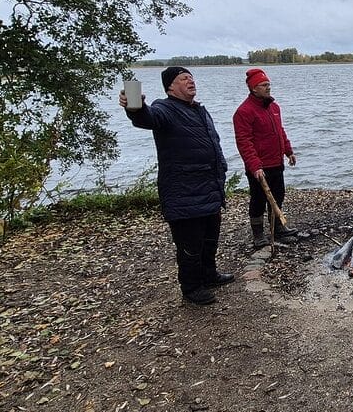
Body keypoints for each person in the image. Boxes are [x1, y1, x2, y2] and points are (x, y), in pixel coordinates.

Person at [119, 66, 232, 306]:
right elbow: (147, 118)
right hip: (184, 191)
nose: (191, 81)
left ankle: (208, 274)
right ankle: (191, 288)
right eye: (184, 79)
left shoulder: (199, 110)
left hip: (209, 186)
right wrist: (134, 108)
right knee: (190, 244)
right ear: (171, 86)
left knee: (210, 238)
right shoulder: (165, 109)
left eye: (192, 77)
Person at [233, 68, 298, 248]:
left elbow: (280, 131)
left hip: (276, 162)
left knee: (278, 196)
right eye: (263, 85)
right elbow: (244, 141)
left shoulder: (274, 107)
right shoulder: (244, 111)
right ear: (253, 88)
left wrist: (288, 151)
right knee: (258, 200)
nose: (268, 87)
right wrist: (254, 166)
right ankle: (258, 234)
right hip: (259, 166)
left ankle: (277, 228)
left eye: (268, 84)